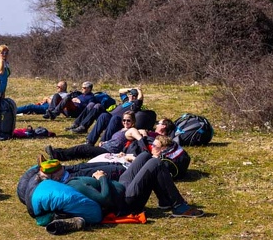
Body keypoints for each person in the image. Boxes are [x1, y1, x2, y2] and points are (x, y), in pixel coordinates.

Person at [67, 135, 204, 217]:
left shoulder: (71, 183)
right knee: (155, 163)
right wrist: (102, 178)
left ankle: (164, 201)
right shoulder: (70, 186)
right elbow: (104, 198)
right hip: (126, 200)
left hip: (120, 186)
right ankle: (178, 205)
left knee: (145, 155)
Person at [74, 87, 143, 141]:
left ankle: (103, 142)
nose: (132, 96)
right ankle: (87, 135)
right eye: (131, 94)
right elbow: (120, 91)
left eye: (134, 95)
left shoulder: (134, 105)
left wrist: (139, 90)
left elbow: (140, 98)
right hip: (108, 117)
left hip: (116, 121)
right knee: (98, 106)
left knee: (113, 117)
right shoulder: (126, 101)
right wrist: (130, 89)